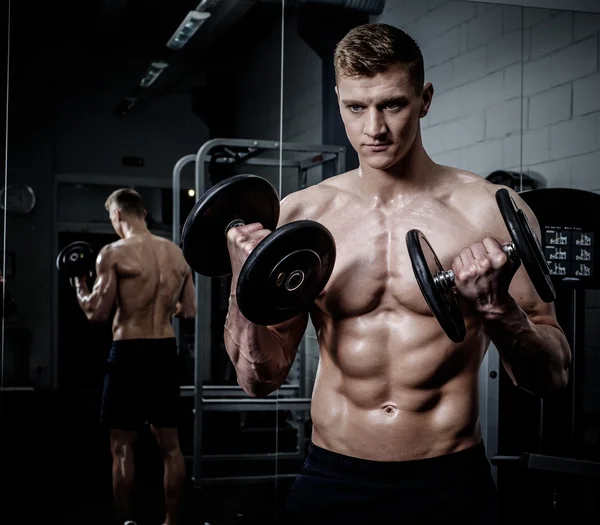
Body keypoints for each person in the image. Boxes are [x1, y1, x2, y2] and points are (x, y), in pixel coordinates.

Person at [222, 23, 572, 525]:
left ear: (424, 98)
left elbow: (553, 377)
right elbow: (261, 380)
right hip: (332, 476)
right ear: (338, 99)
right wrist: (243, 283)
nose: (374, 130)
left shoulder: (489, 212)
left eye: (392, 105)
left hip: (449, 481)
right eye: (356, 108)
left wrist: (498, 308)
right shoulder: (303, 215)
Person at [73, 188, 196, 525]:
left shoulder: (113, 253)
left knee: (122, 446)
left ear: (118, 216)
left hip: (129, 350)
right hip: (163, 351)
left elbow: (96, 313)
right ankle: (171, 520)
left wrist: (80, 287)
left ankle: (127, 522)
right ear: (143, 212)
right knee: (171, 446)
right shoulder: (177, 255)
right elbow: (190, 310)